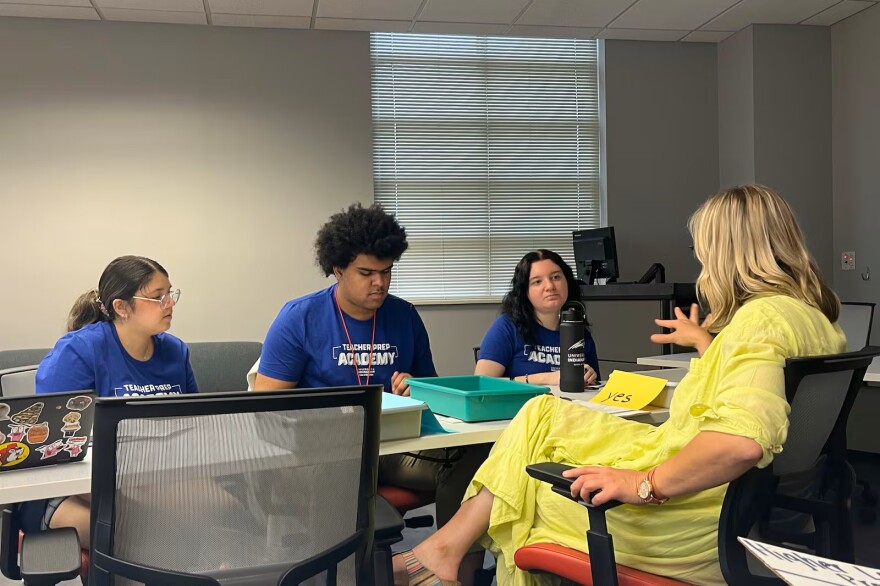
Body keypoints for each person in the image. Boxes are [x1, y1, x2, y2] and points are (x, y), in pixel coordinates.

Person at [391, 184, 847, 586]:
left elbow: (742, 441)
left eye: (705, 251)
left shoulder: (760, 319)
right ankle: (445, 549)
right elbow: (754, 388)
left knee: (526, 493)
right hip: (751, 508)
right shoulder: (815, 321)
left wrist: (642, 483)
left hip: (693, 522)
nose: (703, 264)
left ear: (729, 254)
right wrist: (707, 344)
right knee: (541, 413)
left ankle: (442, 551)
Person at [254, 203, 491, 562]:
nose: (379, 282)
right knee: (335, 479)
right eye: (366, 272)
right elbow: (266, 405)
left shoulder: (404, 315)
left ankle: (448, 568)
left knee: (476, 457)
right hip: (325, 451)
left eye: (386, 271)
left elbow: (434, 393)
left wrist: (416, 386)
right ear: (338, 269)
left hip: (394, 446)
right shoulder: (300, 318)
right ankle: (343, 573)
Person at [20, 255, 197, 549]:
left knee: (224, 512)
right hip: (78, 488)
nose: (170, 303)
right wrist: (141, 497)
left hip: (157, 479)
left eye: (171, 294)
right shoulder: (79, 351)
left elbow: (196, 425)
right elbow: (54, 447)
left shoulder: (175, 352)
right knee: (147, 539)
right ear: (121, 307)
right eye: (158, 297)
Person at [475, 249, 600, 386]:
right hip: (521, 406)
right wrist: (546, 379)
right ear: (525, 291)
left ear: (568, 281)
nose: (550, 286)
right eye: (537, 282)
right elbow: (482, 384)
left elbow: (595, 389)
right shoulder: (506, 327)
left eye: (556, 277)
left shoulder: (579, 332)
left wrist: (589, 376)